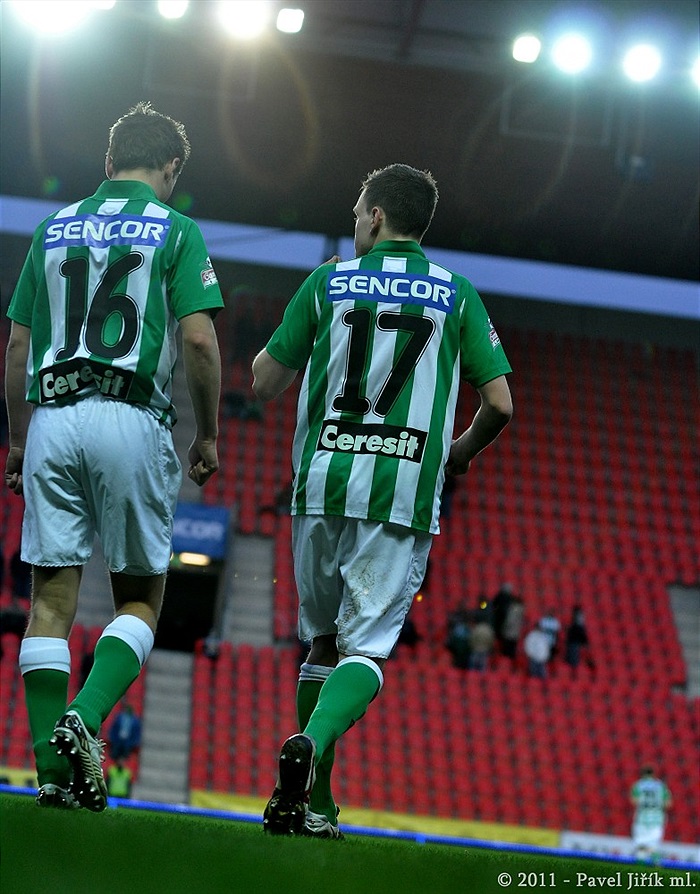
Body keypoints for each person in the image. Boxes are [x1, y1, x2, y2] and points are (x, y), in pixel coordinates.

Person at [252, 163, 513, 837]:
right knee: (364, 653)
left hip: (321, 484)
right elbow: (500, 405)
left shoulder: (329, 280)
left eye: (356, 208)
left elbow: (264, 382)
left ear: (374, 217)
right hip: (399, 491)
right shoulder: (456, 295)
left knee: (320, 642)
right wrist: (457, 452)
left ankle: (315, 802)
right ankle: (309, 758)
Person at [4, 101, 223, 812]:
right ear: (171, 170)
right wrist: (208, 433)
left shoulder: (53, 226)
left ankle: (49, 771)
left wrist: (14, 438)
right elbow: (196, 341)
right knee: (140, 597)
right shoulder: (178, 229)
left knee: (50, 601)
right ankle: (85, 717)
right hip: (130, 415)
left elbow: (14, 348)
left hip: (53, 416)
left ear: (106, 161)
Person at [630, 766, 672, 859]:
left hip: (642, 819)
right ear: (653, 774)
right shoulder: (661, 786)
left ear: (642, 774)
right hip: (657, 819)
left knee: (640, 847)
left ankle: (638, 871)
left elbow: (634, 801)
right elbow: (668, 804)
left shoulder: (638, 785)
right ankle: (656, 868)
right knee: (654, 847)